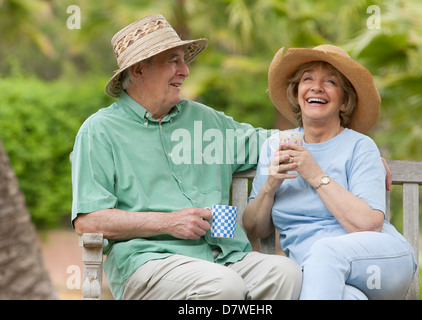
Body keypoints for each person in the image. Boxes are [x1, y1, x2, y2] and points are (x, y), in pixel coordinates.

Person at [71, 14, 302, 300]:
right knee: (224, 286)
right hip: (151, 263)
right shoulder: (100, 131)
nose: (185, 71)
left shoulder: (205, 120)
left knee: (287, 273)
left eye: (184, 61)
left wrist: (348, 145)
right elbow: (88, 222)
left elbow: (275, 142)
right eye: (173, 61)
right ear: (140, 70)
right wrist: (169, 222)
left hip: (226, 256)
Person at [243, 45, 416, 300]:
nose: (316, 87)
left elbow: (368, 225)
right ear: (297, 92)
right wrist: (270, 186)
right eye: (308, 79)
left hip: (378, 263)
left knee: (324, 252)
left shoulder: (360, 146)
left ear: (344, 101)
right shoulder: (275, 146)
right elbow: (254, 227)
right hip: (320, 277)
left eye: (330, 82)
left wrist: (314, 173)